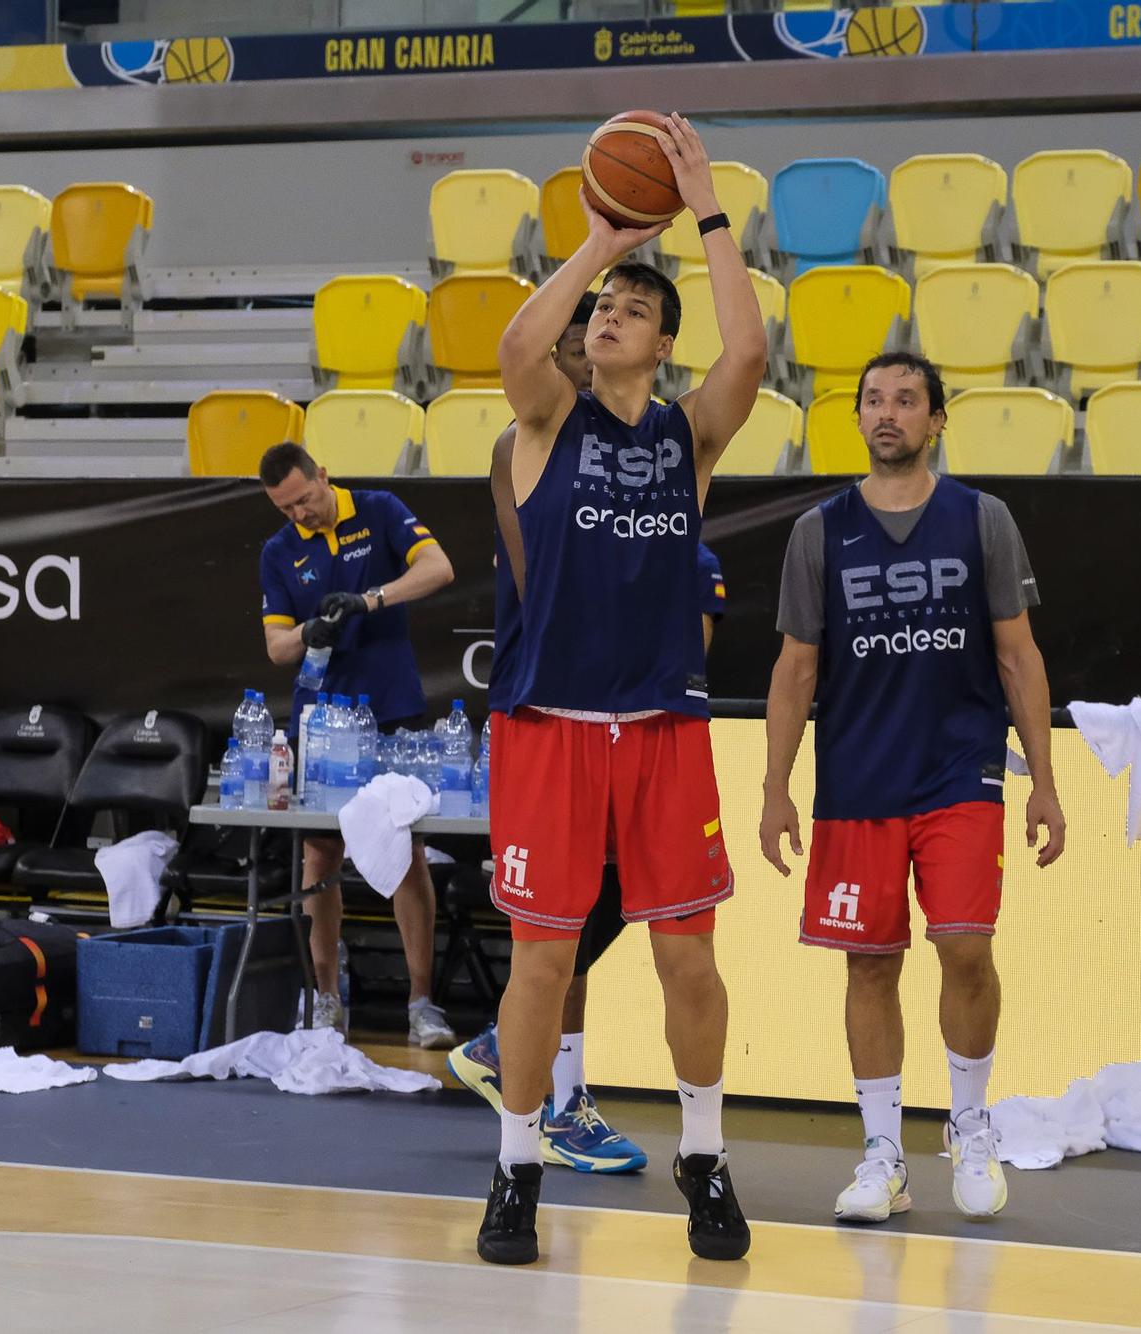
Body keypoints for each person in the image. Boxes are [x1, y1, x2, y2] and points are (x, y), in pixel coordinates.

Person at [475, 112, 766, 1266]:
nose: (606, 318)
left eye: (632, 309)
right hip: (548, 726)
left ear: (662, 343)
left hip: (658, 727)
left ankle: (702, 1152)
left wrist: (703, 214)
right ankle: (514, 1166)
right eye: (601, 310)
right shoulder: (548, 419)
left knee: (686, 955)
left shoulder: (687, 435)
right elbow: (513, 344)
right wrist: (596, 248)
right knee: (540, 959)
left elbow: (747, 353)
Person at [758, 350, 1065, 1226]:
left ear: (936, 421)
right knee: (870, 961)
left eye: (905, 399)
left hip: (959, 769)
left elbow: (1019, 655)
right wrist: (776, 787)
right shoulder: (820, 530)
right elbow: (794, 669)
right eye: (872, 399)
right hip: (856, 779)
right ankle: (883, 1155)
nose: (886, 411)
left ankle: (970, 1126)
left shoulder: (982, 519)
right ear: (857, 418)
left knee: (966, 946)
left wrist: (1044, 782)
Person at [449, 297, 726, 1177]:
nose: (582, 351)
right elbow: (555, 597)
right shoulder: (527, 447)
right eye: (573, 341)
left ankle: (553, 1087)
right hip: (556, 711)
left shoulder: (665, 458)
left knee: (627, 931)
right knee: (558, 938)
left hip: (645, 718)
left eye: (600, 332)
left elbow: (698, 619)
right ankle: (546, 1104)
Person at [257, 442, 459, 1049]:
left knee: (406, 857)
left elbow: (439, 569)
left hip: (392, 710)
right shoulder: (278, 553)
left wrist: (371, 600)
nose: (301, 515)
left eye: (306, 499)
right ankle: (325, 1000)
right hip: (323, 726)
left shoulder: (379, 508)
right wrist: (307, 631)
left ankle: (421, 1003)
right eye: (286, 509)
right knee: (318, 859)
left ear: (324, 474)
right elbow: (275, 649)